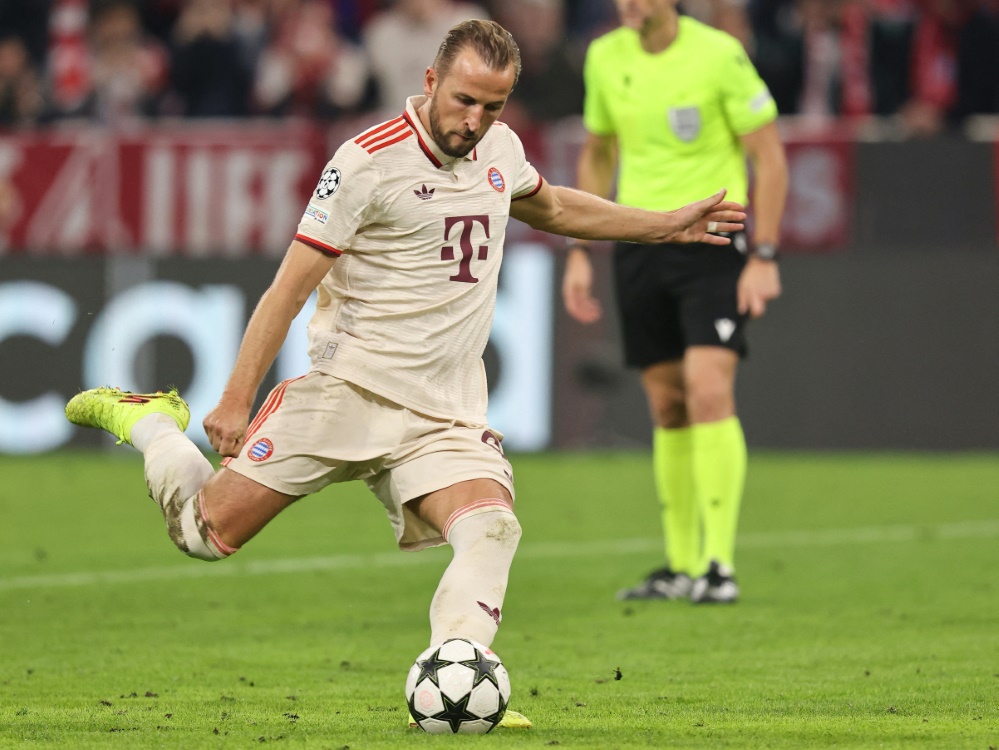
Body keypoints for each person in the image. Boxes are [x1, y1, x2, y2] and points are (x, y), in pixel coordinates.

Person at [64, 18, 745, 727]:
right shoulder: (365, 163)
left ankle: (461, 681)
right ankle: (146, 419)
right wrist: (235, 398)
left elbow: (552, 205)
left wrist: (664, 224)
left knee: (492, 528)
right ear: (429, 82)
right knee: (201, 536)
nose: (474, 121)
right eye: (463, 101)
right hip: (346, 392)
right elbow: (287, 290)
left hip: (442, 413)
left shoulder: (499, 148)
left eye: (492, 106)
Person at [561, 0, 788, 604]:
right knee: (666, 403)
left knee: (709, 387)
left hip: (713, 239)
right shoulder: (605, 57)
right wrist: (582, 247)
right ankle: (680, 564)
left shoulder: (719, 55)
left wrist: (763, 254)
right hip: (640, 241)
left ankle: (719, 564)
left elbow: (769, 156)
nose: (629, 5)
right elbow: (600, 151)